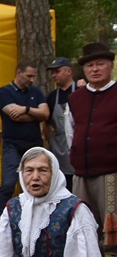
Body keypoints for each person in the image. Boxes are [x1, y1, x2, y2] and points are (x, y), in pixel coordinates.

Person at [66, 41, 117, 257]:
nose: (94, 69)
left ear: (111, 66)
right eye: (90, 66)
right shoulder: (75, 98)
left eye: (100, 64)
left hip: (111, 174)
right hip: (81, 175)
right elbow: (70, 132)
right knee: (84, 231)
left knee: (113, 230)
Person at [0, 60, 49, 224]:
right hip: (13, 144)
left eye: (34, 76)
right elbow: (14, 115)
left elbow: (45, 114)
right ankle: (0, 222)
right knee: (8, 183)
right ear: (19, 73)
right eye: (28, 76)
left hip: (35, 144)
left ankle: (40, 219)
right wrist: (35, 114)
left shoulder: (36, 92)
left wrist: (25, 109)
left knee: (39, 181)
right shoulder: (5, 92)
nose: (32, 80)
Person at [43, 57, 82, 190]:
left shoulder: (81, 90)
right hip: (59, 148)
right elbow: (46, 124)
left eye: (57, 71)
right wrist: (52, 142)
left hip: (80, 142)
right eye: (52, 72)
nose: (54, 75)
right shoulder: (52, 97)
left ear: (69, 71)